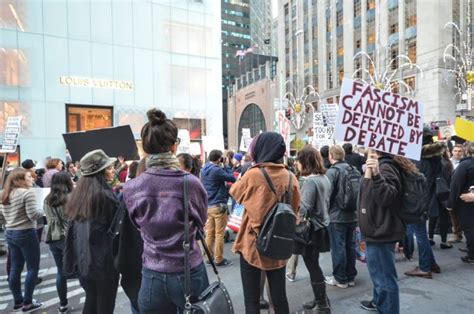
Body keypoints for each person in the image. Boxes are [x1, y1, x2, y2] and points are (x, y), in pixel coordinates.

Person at [123, 109, 209, 313]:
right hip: (188, 269)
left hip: (152, 272)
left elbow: (137, 225)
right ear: (174, 146)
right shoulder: (191, 183)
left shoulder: (132, 187)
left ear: (144, 149)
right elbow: (200, 221)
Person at [230, 132, 300, 314]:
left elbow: (235, 193)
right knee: (279, 297)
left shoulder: (253, 174)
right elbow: (295, 209)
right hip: (279, 243)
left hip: (253, 244)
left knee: (252, 301)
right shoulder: (291, 177)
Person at [65, 149, 120, 314]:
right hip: (104, 264)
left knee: (91, 300)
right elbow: (116, 231)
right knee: (104, 305)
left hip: (84, 261)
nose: (113, 171)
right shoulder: (105, 196)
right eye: (109, 169)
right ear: (100, 173)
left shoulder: (79, 195)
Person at [359, 150, 407, 313]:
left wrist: (377, 175)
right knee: (380, 276)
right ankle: (380, 303)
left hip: (381, 231)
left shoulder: (386, 167)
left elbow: (388, 197)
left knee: (385, 279)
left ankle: (387, 309)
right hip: (377, 229)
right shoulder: (380, 164)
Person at [0, 169, 43, 312]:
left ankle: (18, 300)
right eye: (29, 177)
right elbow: (33, 215)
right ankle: (28, 302)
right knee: (32, 268)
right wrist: (44, 210)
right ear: (20, 179)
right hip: (26, 231)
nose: (33, 179)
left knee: (15, 268)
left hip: (10, 232)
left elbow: (1, 217)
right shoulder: (27, 193)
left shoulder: (3, 193)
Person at [295, 146, 332, 312]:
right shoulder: (324, 177)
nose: (296, 163)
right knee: (314, 263)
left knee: (312, 265)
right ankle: (321, 299)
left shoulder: (310, 181)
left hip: (312, 229)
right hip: (321, 226)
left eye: (298, 160)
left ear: (305, 161)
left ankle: (322, 304)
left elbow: (305, 208)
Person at [405, 128, 442, 278]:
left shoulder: (416, 157)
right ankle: (431, 263)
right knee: (421, 234)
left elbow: (411, 181)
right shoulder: (435, 156)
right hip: (428, 199)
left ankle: (425, 267)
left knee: (419, 233)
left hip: (416, 201)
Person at [325, 145, 358, 288]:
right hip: (353, 214)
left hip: (337, 215)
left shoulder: (332, 172)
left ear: (331, 156)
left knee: (338, 247)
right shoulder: (354, 169)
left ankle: (340, 278)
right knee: (350, 246)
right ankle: (350, 276)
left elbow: (327, 195)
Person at [43, 172, 73, 313]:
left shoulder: (47, 199)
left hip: (52, 238)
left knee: (61, 272)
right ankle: (92, 299)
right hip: (68, 238)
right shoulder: (69, 198)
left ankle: (62, 304)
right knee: (80, 269)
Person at [201, 149, 236, 266]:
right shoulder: (216, 170)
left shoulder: (204, 168)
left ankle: (208, 257)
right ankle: (218, 258)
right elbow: (232, 178)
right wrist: (226, 165)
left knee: (209, 233)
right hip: (219, 205)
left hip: (209, 205)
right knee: (219, 234)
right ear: (219, 158)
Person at [448, 142, 474, 264]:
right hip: (467, 199)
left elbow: (455, 185)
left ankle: (472, 254)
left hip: (466, 203)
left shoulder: (465, 165)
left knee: (469, 229)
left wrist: (450, 204)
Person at [448, 144, 465, 243]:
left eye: (460, 151)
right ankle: (457, 234)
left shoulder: (465, 163)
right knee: (453, 213)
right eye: (455, 151)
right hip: (451, 191)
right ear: (452, 152)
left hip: (463, 191)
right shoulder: (448, 162)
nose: (457, 153)